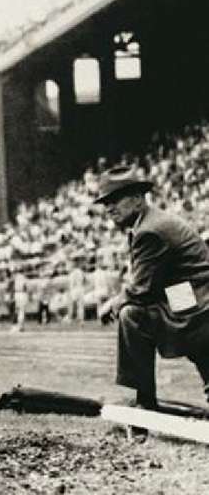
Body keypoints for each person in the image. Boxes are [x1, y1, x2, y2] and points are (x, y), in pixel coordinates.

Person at [97, 166, 209, 421]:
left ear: (137, 199)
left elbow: (141, 289)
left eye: (115, 200)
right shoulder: (149, 222)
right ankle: (145, 401)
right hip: (190, 295)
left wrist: (112, 304)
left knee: (131, 314)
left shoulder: (150, 230)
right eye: (106, 203)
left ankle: (145, 402)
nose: (109, 208)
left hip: (196, 300)